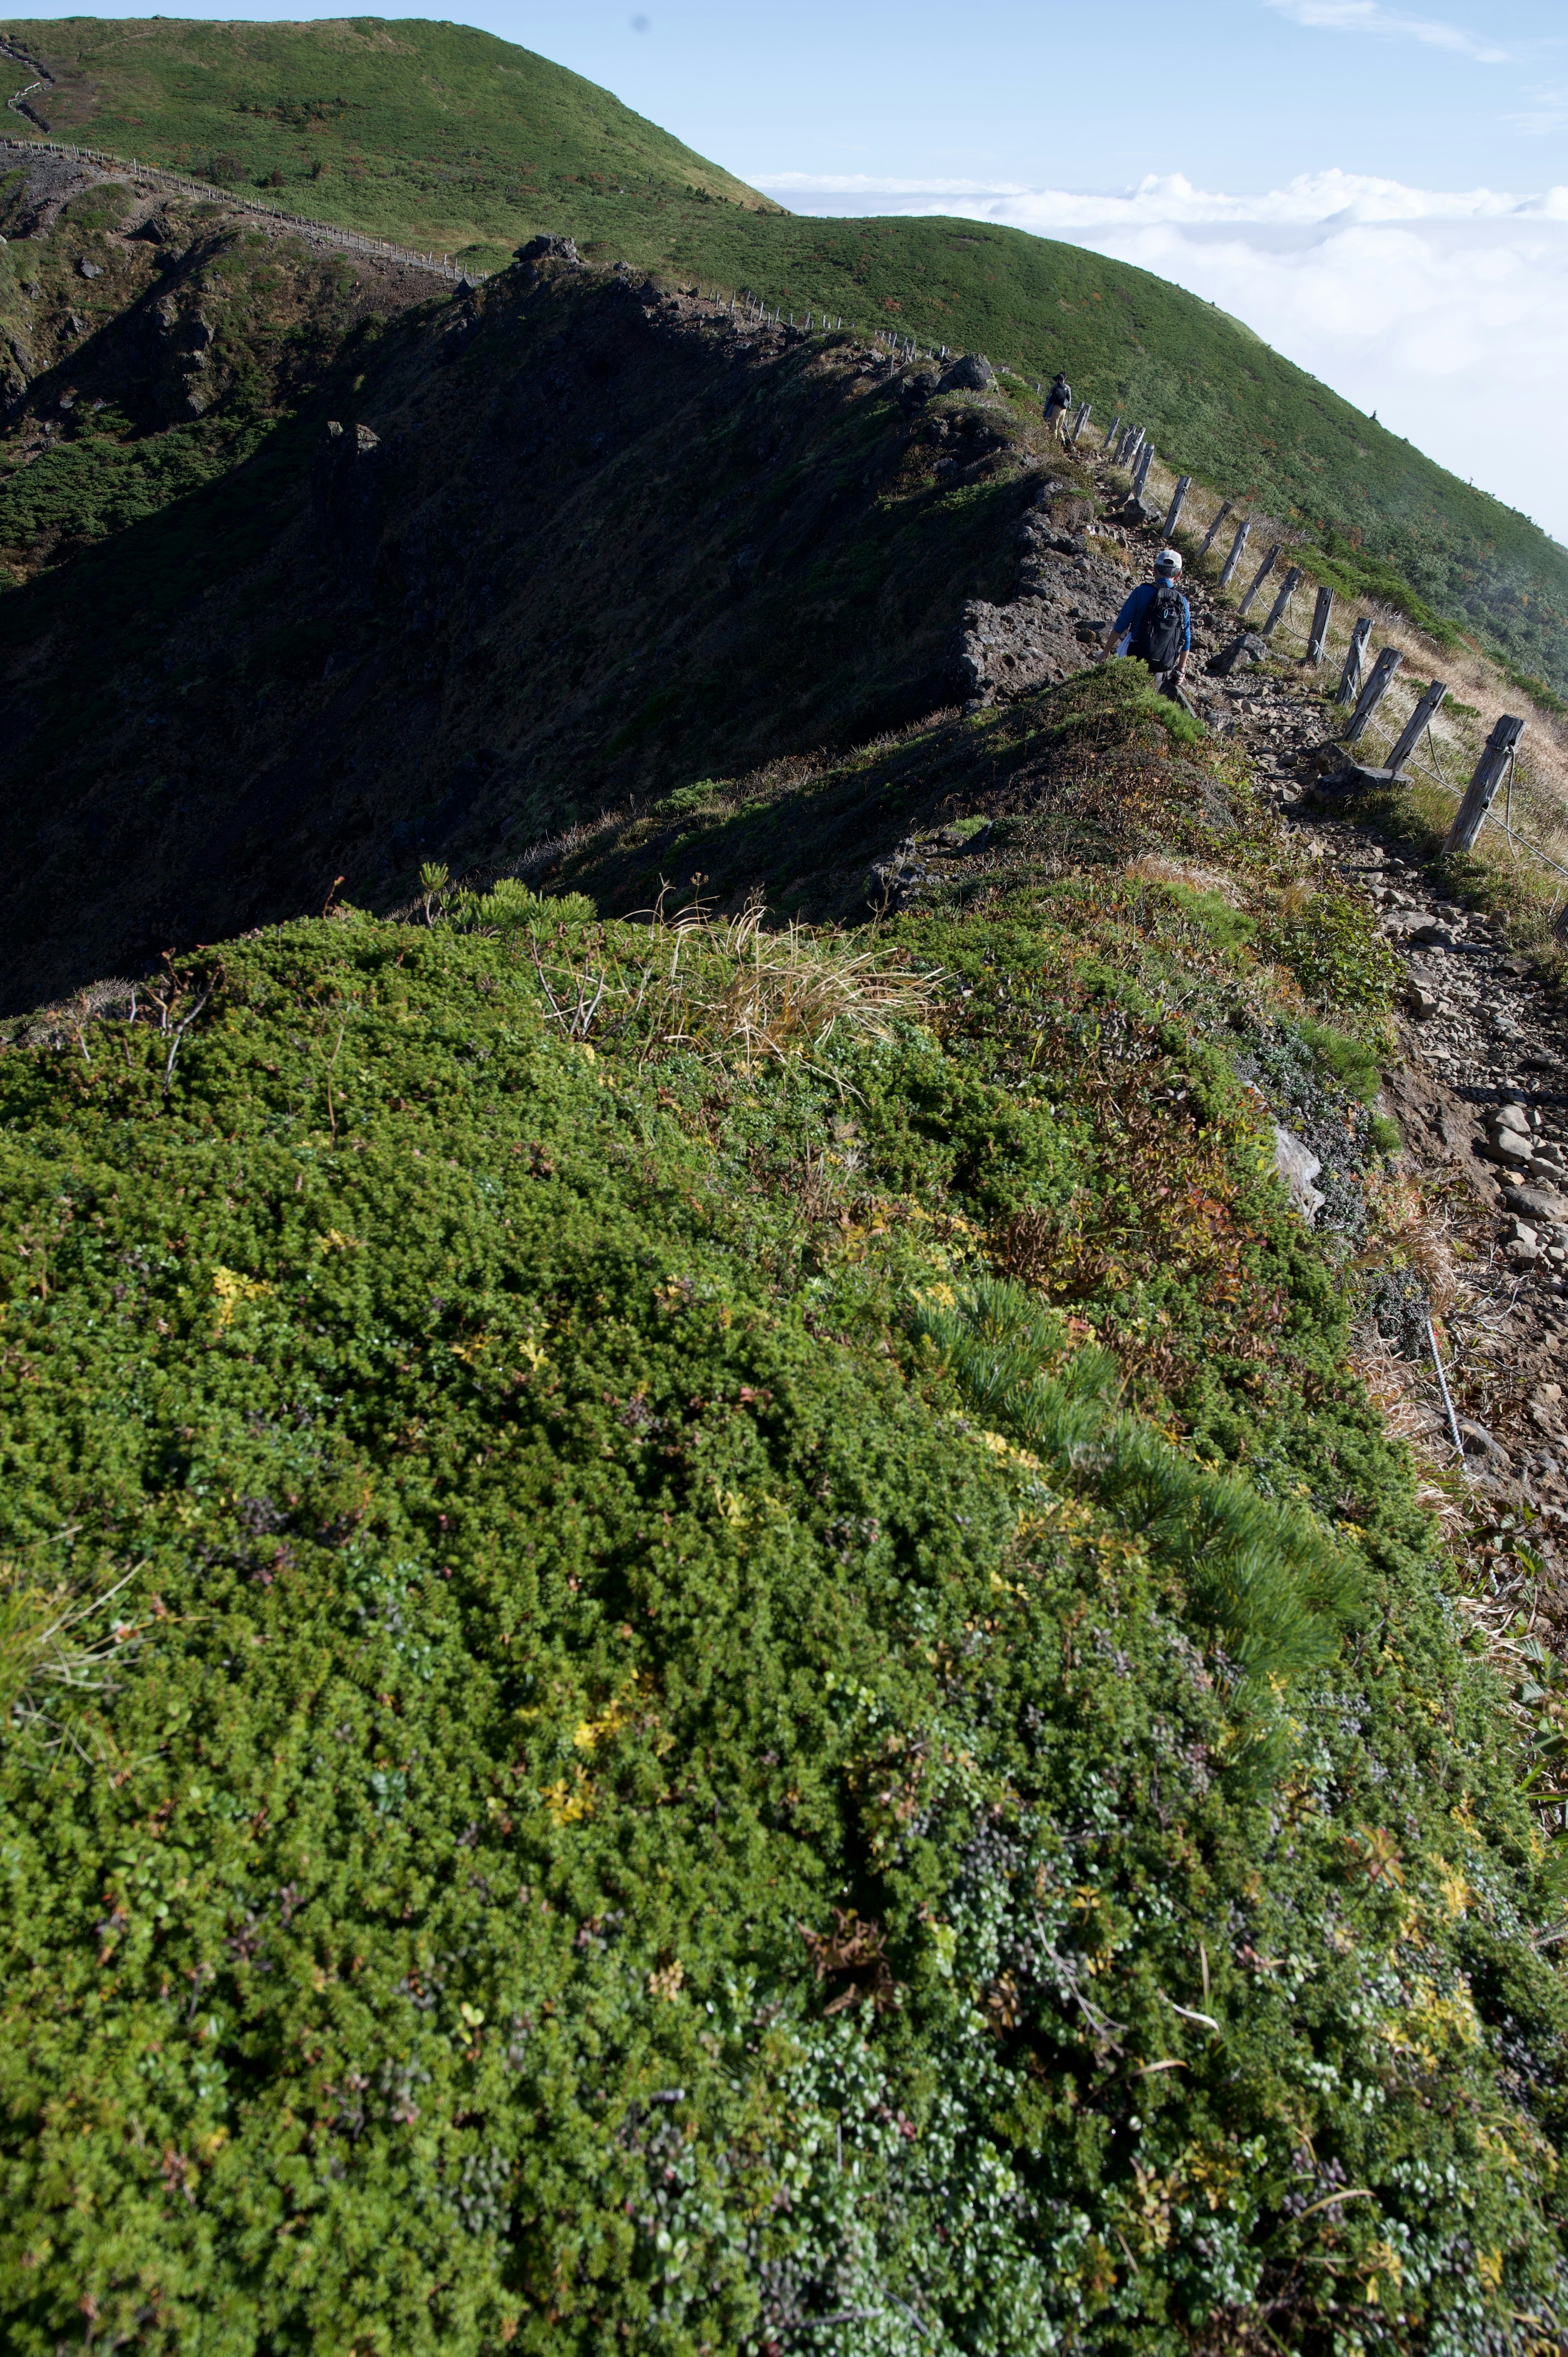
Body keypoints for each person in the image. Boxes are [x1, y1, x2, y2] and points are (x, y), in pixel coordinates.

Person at [1101, 547, 1191, 698]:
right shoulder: (1182, 602)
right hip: (1161, 665)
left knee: (1120, 696)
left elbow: (1121, 625)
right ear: (1178, 575)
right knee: (1146, 700)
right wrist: (1181, 669)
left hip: (1134, 657)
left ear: (1155, 570)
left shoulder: (1141, 592)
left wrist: (1106, 652)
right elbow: (1186, 638)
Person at [1043, 370, 1071, 442]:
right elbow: (1069, 399)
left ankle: (1053, 443)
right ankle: (1063, 441)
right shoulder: (1066, 388)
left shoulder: (1055, 389)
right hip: (1064, 409)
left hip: (1056, 409)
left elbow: (1051, 400)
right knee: (1060, 427)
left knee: (1054, 428)